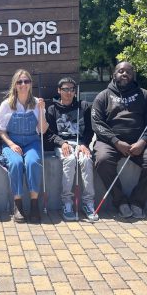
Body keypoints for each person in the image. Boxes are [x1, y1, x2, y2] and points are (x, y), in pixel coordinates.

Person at [92, 62, 147, 219]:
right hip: (110, 142)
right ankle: (121, 202)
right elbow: (97, 123)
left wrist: (143, 141)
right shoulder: (103, 96)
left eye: (128, 72)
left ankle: (138, 202)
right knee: (102, 160)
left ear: (133, 76)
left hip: (139, 143)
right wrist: (116, 142)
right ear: (114, 74)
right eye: (120, 71)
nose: (124, 74)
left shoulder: (145, 96)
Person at [0, 69, 48, 223]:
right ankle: (17, 205)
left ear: (31, 84)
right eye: (20, 82)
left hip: (32, 142)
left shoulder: (37, 103)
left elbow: (43, 130)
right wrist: (11, 144)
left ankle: (34, 204)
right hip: (12, 142)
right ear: (15, 85)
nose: (23, 84)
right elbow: (1, 131)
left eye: (26, 81)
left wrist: (42, 110)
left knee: (32, 162)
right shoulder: (6, 105)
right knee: (16, 162)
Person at [45, 77, 97, 222]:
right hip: (63, 144)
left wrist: (85, 144)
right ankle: (66, 202)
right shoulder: (52, 109)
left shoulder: (84, 106)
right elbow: (50, 134)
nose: (69, 93)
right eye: (65, 89)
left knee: (86, 160)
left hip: (80, 143)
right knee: (70, 159)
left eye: (72, 89)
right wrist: (62, 143)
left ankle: (88, 203)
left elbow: (89, 130)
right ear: (59, 90)